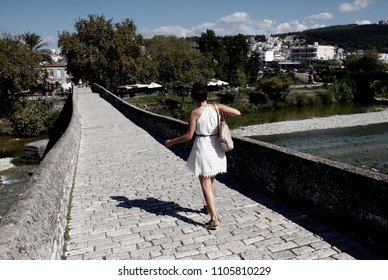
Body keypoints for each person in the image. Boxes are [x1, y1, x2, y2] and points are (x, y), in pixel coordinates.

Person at [164, 82, 241, 230]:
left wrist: (172, 141)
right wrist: (223, 113)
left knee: (205, 183)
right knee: (211, 179)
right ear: (206, 96)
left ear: (194, 98)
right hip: (216, 146)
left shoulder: (195, 113)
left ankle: (214, 219)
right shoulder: (216, 107)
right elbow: (237, 112)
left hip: (204, 146)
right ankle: (208, 206)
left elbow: (188, 136)